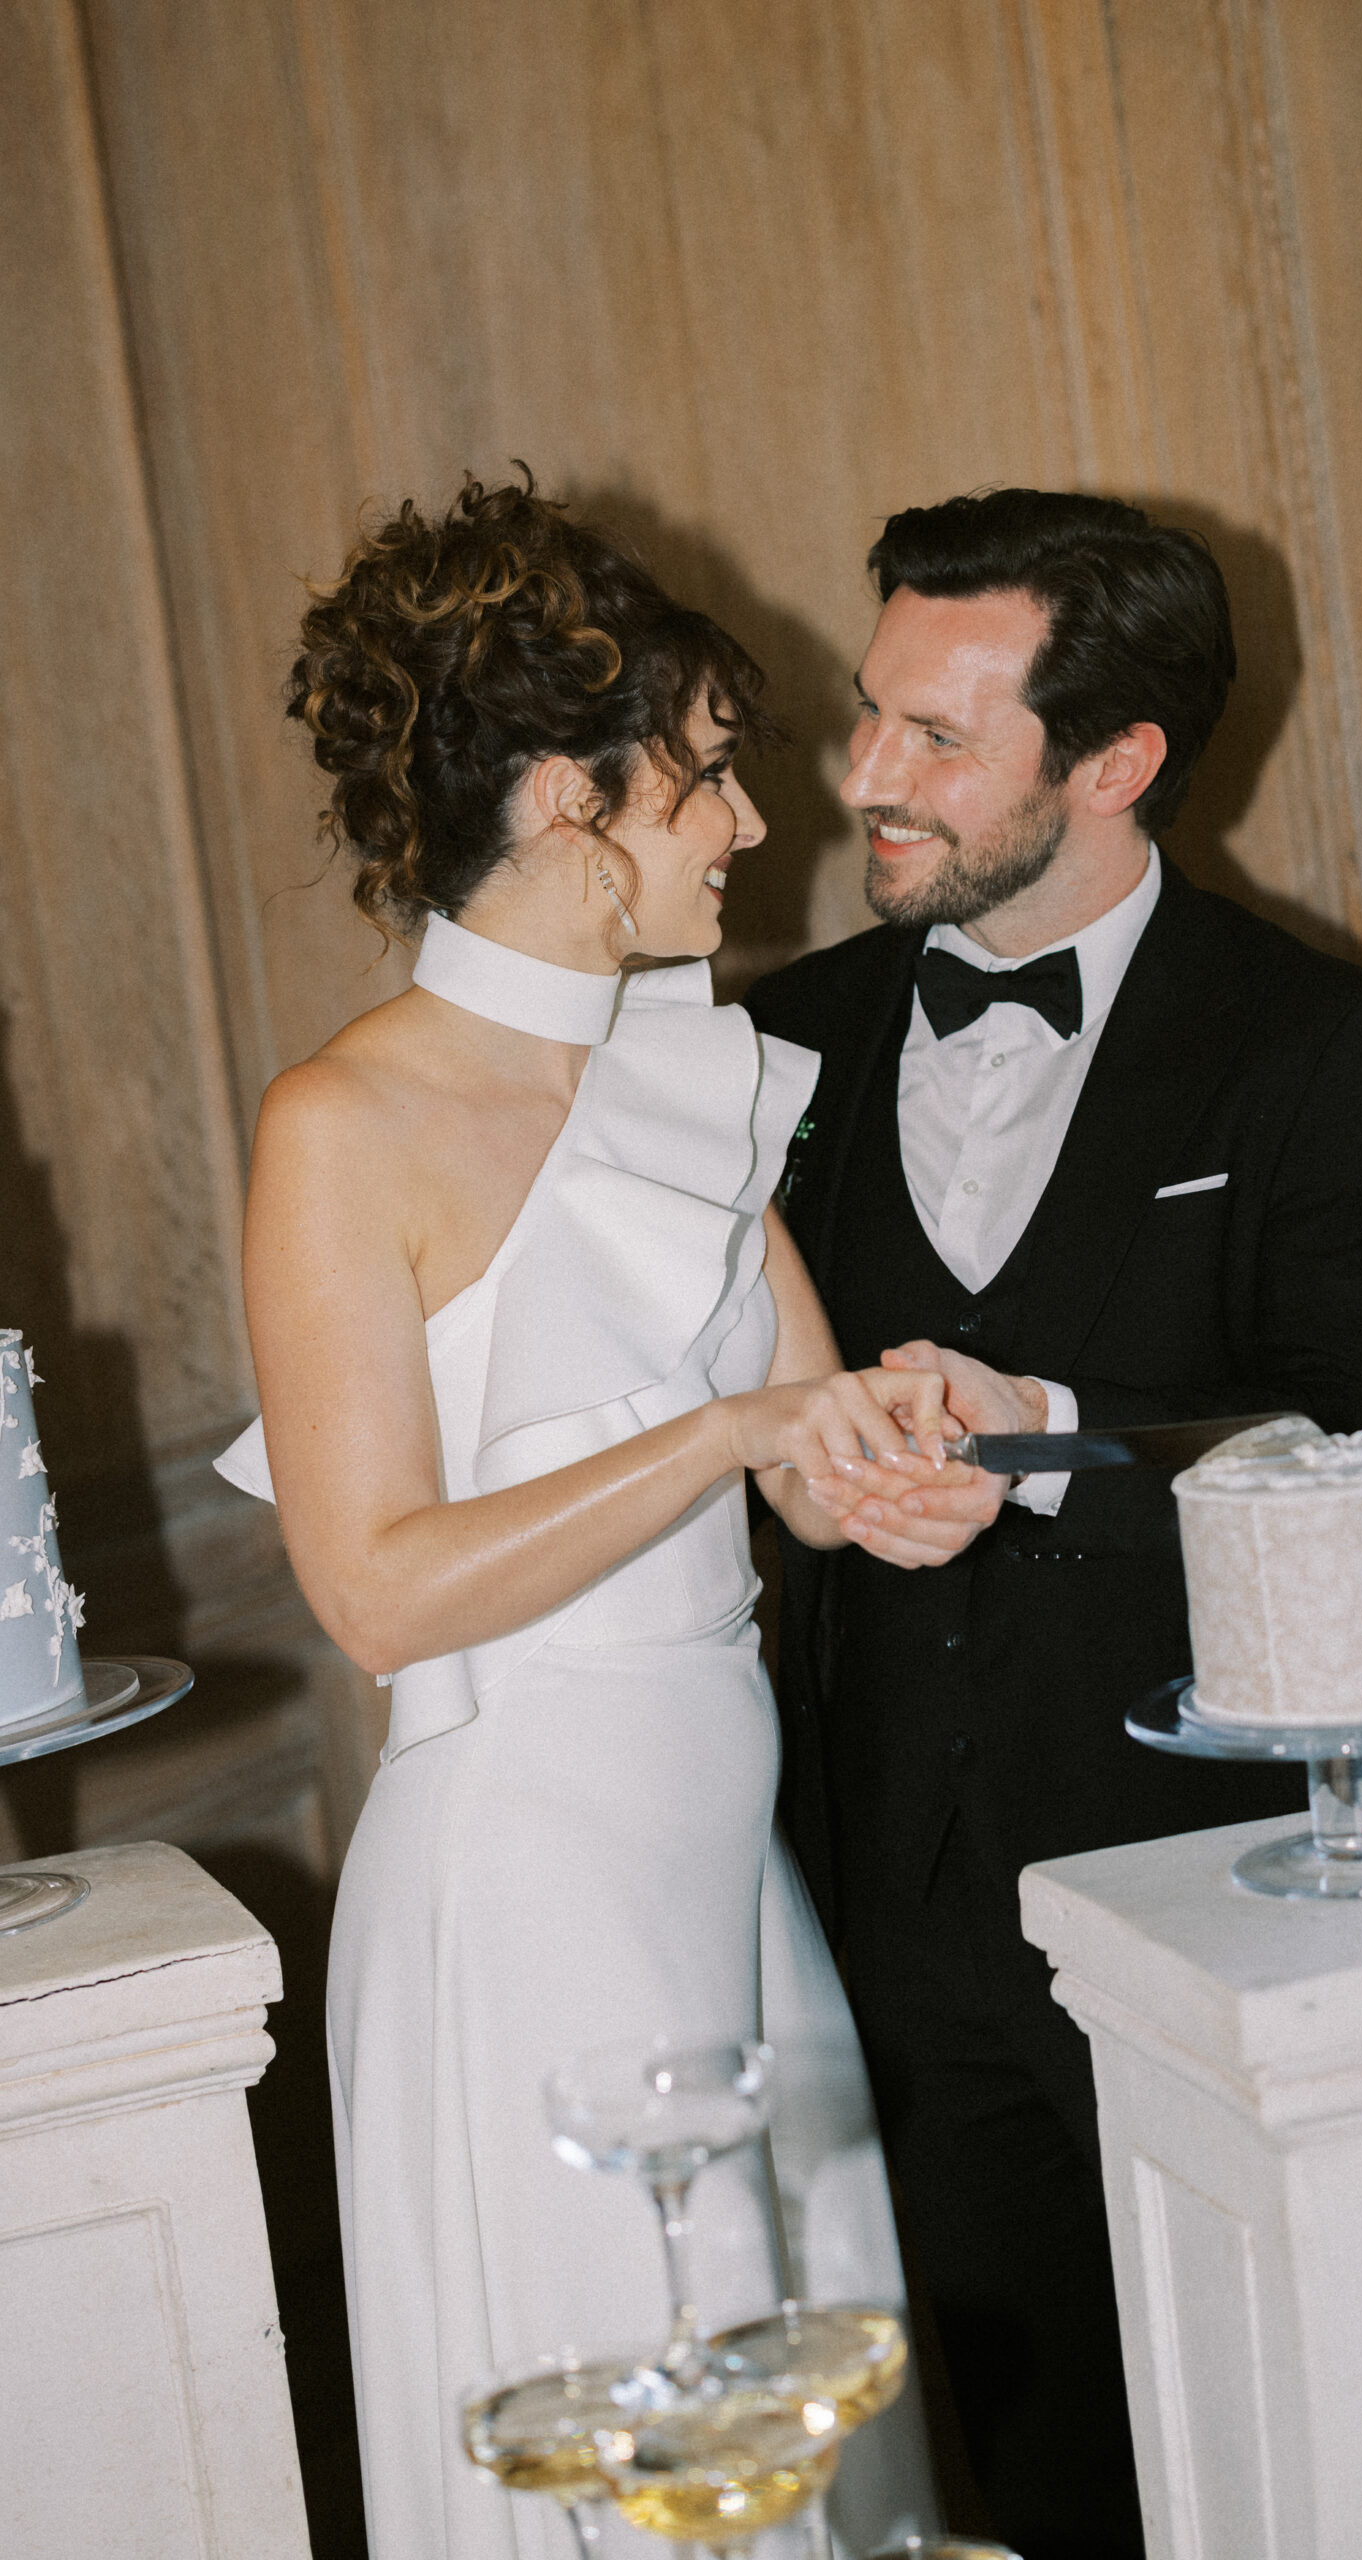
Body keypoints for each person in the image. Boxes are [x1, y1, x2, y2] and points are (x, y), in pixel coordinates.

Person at [214, 472, 964, 2560]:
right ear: (565, 794)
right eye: (704, 775)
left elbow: (800, 1450)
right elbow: (372, 1586)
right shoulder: (341, 1123)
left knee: (797, 2450)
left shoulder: (682, 1060)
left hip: (730, 1873)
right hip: (530, 1901)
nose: (746, 822)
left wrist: (892, 1462)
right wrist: (736, 1435)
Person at [743, 487, 1362, 2560]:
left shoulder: (1327, 1044)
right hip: (885, 1897)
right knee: (1041, 2475)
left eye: (933, 739)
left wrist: (1046, 1426)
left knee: (1299, 2454)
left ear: (1114, 761)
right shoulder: (759, 1049)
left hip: (1218, 1887)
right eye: (865, 712)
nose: (863, 776)